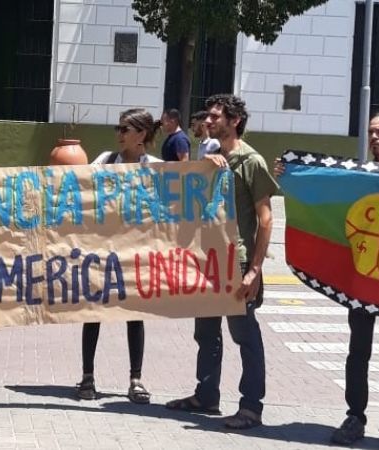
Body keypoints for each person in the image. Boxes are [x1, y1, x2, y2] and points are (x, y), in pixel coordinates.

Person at [273, 111, 379, 450]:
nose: (374, 138)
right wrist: (290, 175)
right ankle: (355, 418)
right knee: (358, 351)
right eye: (371, 132)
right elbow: (323, 191)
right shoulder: (357, 176)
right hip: (363, 278)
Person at [165, 94, 278, 431]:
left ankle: (251, 407)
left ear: (235, 121)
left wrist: (254, 270)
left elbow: (266, 219)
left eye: (216, 117)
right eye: (209, 116)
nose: (208, 121)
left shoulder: (251, 161)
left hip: (236, 262)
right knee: (206, 332)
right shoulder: (213, 157)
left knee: (244, 335)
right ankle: (206, 395)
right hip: (208, 259)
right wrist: (203, 166)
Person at [77, 108, 162, 404]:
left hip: (136, 253)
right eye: (118, 128)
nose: (119, 134)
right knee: (93, 313)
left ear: (141, 134)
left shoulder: (157, 168)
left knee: (135, 315)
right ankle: (87, 376)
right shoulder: (105, 160)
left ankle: (135, 380)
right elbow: (82, 189)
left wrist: (213, 163)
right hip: (103, 251)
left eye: (124, 129)